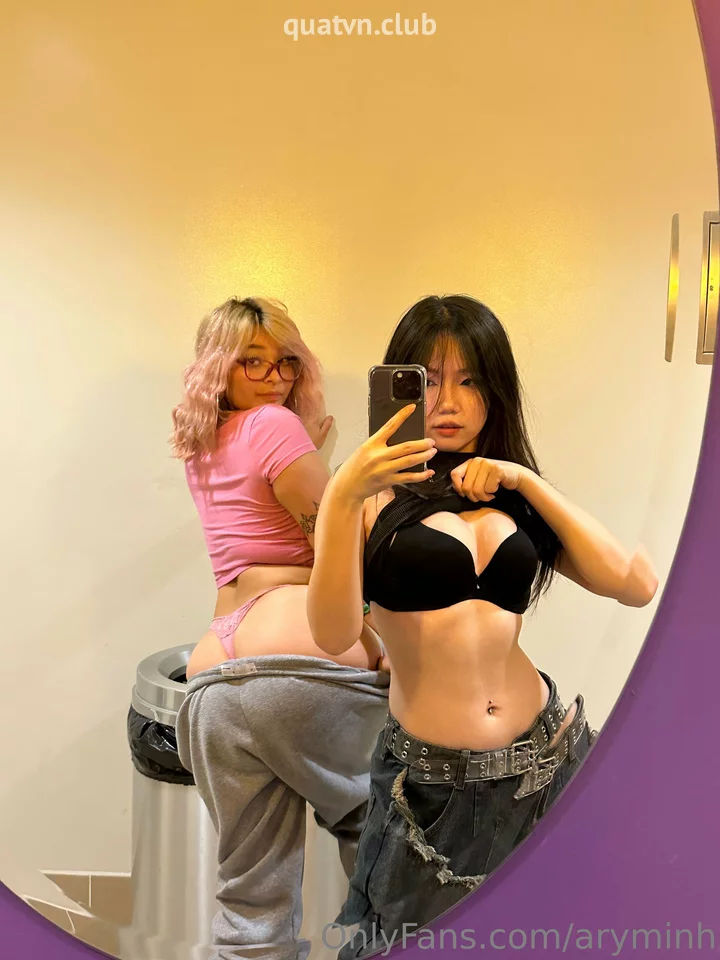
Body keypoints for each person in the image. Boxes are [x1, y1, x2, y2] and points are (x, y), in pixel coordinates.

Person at [307, 295, 658, 957]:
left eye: (470, 380)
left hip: (546, 759)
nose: (448, 401)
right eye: (429, 380)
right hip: (431, 791)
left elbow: (632, 584)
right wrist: (343, 494)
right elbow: (331, 634)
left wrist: (524, 480)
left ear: (496, 391)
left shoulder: (508, 492)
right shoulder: (368, 496)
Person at [171, 296, 390, 960]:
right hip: (296, 655)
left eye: (285, 363)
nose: (273, 377)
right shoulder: (274, 425)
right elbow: (343, 544)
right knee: (385, 856)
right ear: (219, 366)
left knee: (251, 902)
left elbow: (255, 537)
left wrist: (313, 455)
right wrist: (368, 491)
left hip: (215, 674)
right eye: (253, 362)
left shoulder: (202, 442)